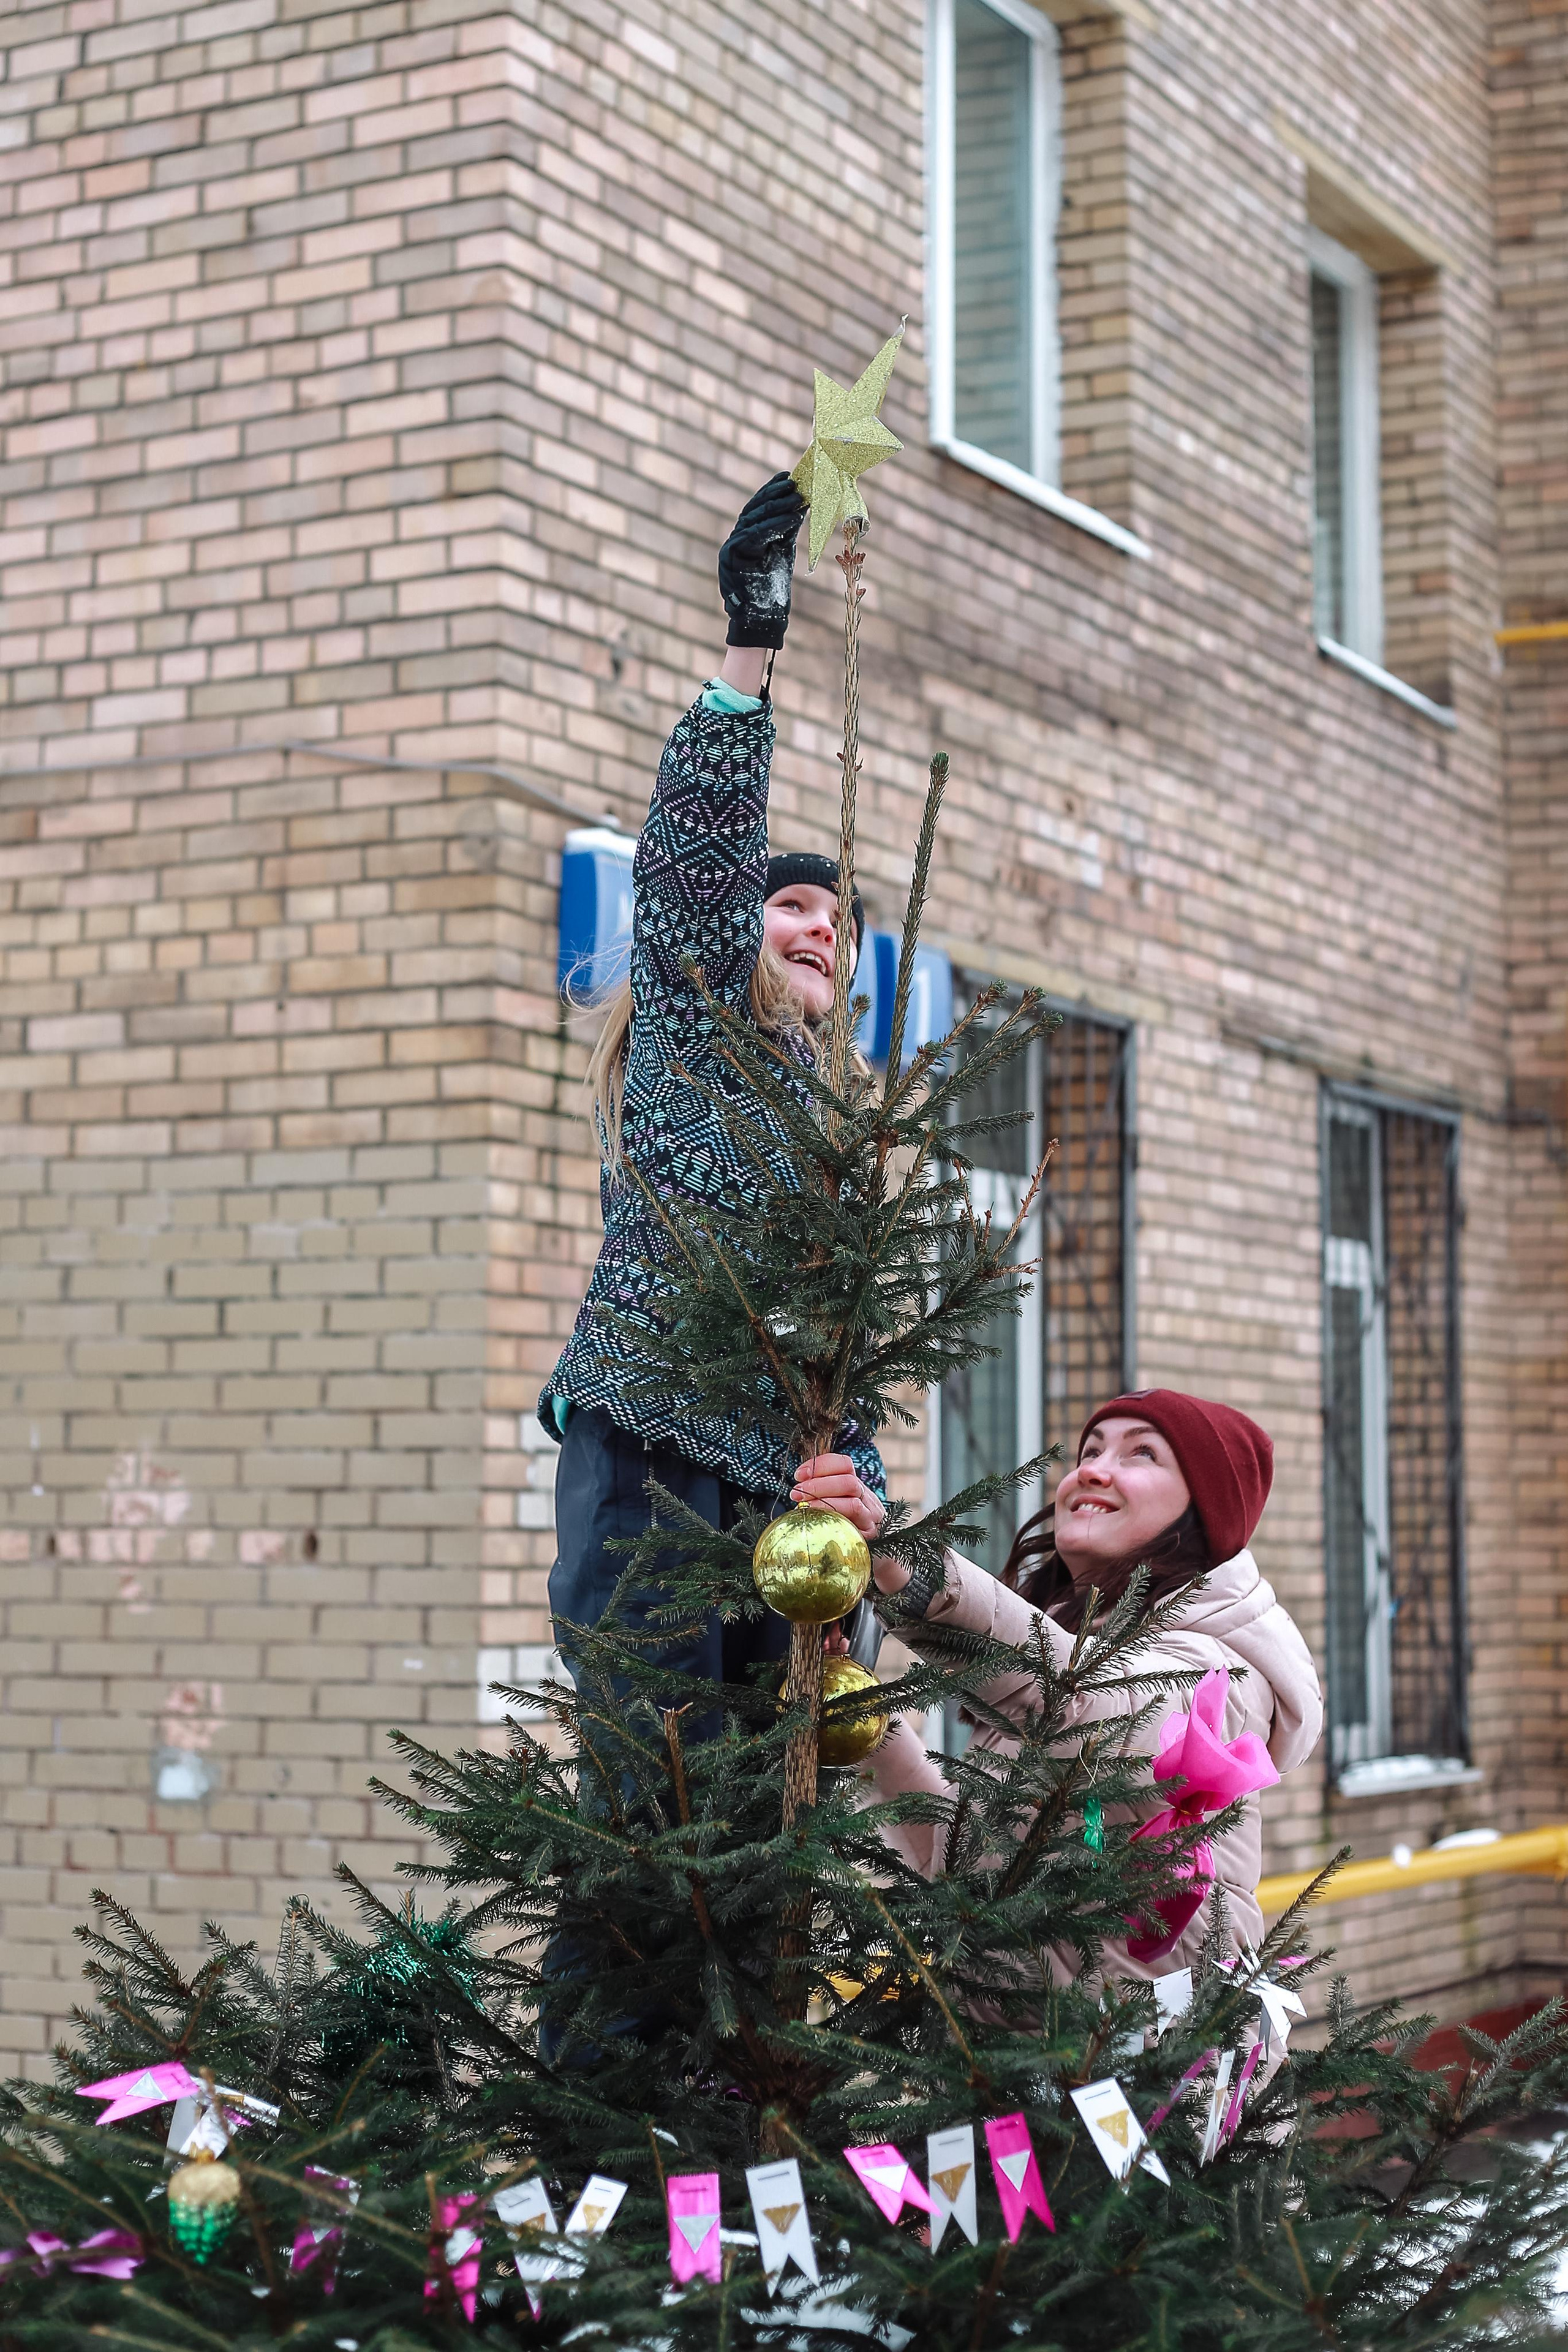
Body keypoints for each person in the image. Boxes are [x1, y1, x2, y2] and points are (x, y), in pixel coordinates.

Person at [541, 472, 885, 1724]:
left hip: (783, 1505)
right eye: (791, 903)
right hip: (654, 1462)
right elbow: (690, 865)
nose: (817, 927)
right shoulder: (695, 1032)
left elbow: (851, 1347)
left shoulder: (841, 1129)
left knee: (758, 1835)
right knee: (663, 1821)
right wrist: (750, 650)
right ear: (738, 927)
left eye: (837, 921)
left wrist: (866, 1499)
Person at [790, 1389, 1322, 1983]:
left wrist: (899, 1560)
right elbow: (959, 1872)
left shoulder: (1220, 1674)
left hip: (1140, 2065)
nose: (1091, 1469)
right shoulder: (1063, 1653)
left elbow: (1087, 1706)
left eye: (1141, 1454)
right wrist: (863, 1721)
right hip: (999, 2065)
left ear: (1204, 1510)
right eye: (1089, 1451)